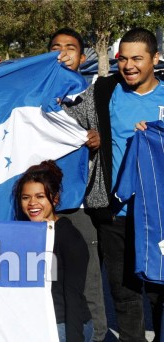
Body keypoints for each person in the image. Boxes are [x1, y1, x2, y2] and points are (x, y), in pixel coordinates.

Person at [64, 28, 164, 341]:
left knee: (159, 294)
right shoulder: (105, 89)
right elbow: (65, 116)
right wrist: (87, 138)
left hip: (159, 218)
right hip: (114, 214)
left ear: (155, 59)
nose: (128, 65)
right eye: (123, 58)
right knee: (124, 295)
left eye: (138, 58)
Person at [48, 27, 108, 341]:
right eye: (56, 48)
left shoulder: (94, 97)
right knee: (49, 279)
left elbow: (111, 139)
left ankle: (97, 334)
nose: (63, 53)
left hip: (80, 205)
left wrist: (99, 140)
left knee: (88, 281)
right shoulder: (37, 99)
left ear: (82, 57)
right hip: (42, 208)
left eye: (70, 48)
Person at [14, 160, 92, 342]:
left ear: (55, 199)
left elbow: (73, 295)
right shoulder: (23, 234)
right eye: (26, 197)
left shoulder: (70, 238)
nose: (32, 203)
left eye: (40, 196)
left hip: (64, 326)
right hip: (35, 324)